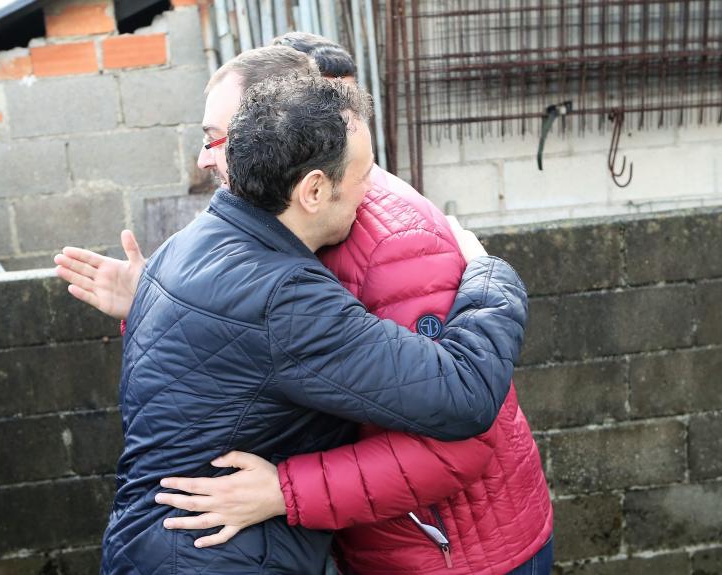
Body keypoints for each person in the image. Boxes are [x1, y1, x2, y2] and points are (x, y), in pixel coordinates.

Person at [58, 51, 527, 573]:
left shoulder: (186, 246)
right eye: (363, 172)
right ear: (314, 190)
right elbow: (464, 394)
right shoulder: (284, 298)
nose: (373, 188)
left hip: (151, 546)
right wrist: (488, 271)